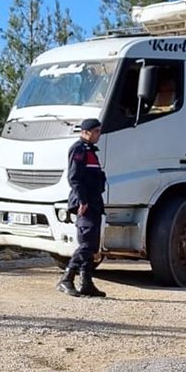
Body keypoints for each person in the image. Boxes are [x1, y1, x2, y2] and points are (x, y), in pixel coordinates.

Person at [57, 117, 108, 298]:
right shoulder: (78, 149)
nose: (98, 135)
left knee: (92, 245)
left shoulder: (90, 151)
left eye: (99, 131)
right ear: (86, 132)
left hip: (94, 203)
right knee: (86, 243)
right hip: (84, 204)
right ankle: (66, 279)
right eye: (96, 132)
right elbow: (74, 178)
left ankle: (86, 282)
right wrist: (83, 201)